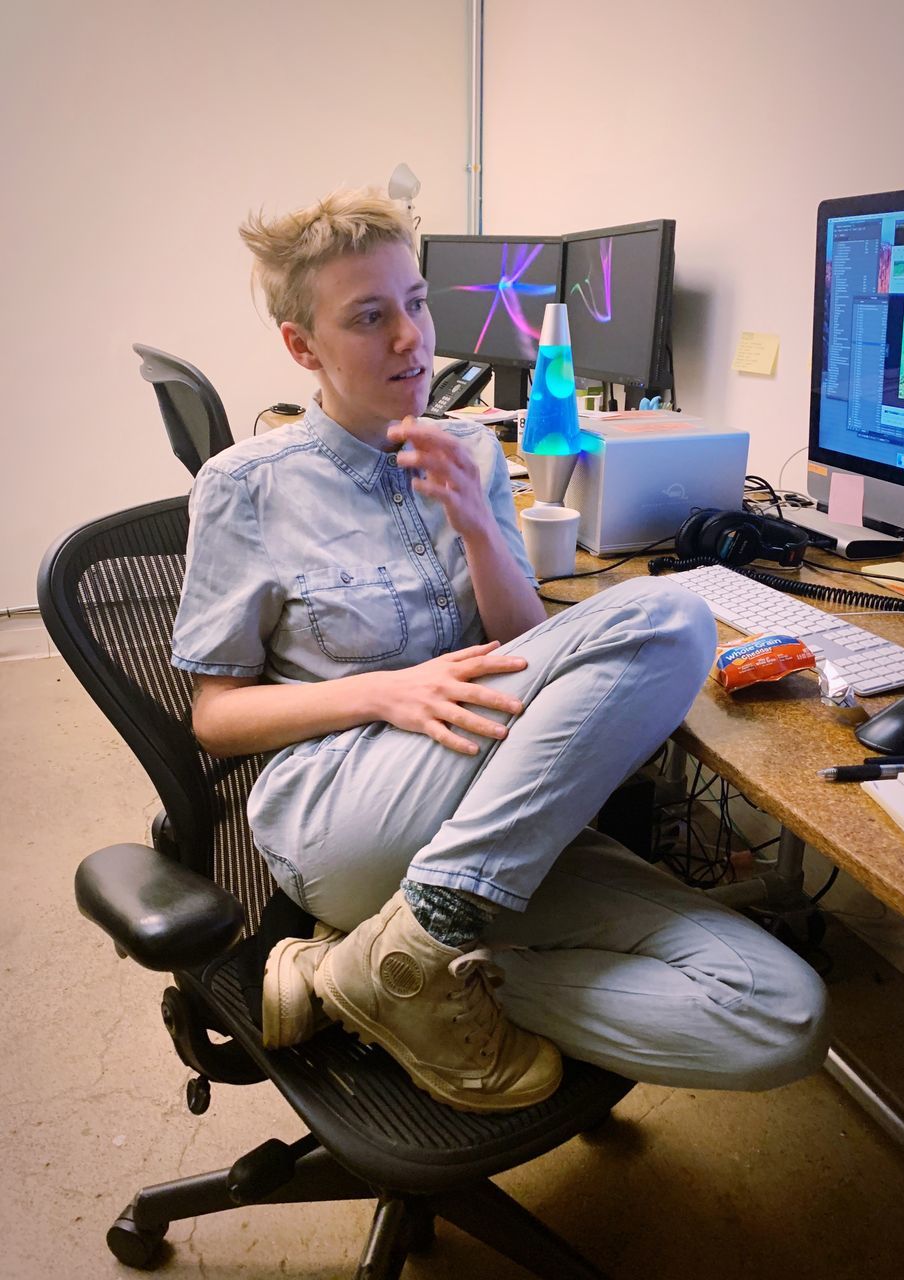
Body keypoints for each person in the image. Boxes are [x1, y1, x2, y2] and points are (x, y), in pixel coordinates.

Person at [171, 188, 829, 1114]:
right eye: (369, 316)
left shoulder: (471, 453)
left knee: (780, 1013)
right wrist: (383, 694)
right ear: (301, 347)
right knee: (672, 616)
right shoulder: (246, 486)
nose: (410, 338)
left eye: (416, 303)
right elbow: (215, 716)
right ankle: (420, 933)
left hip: (491, 818)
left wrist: (480, 523)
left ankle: (375, 975)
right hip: (349, 811)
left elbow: (527, 647)